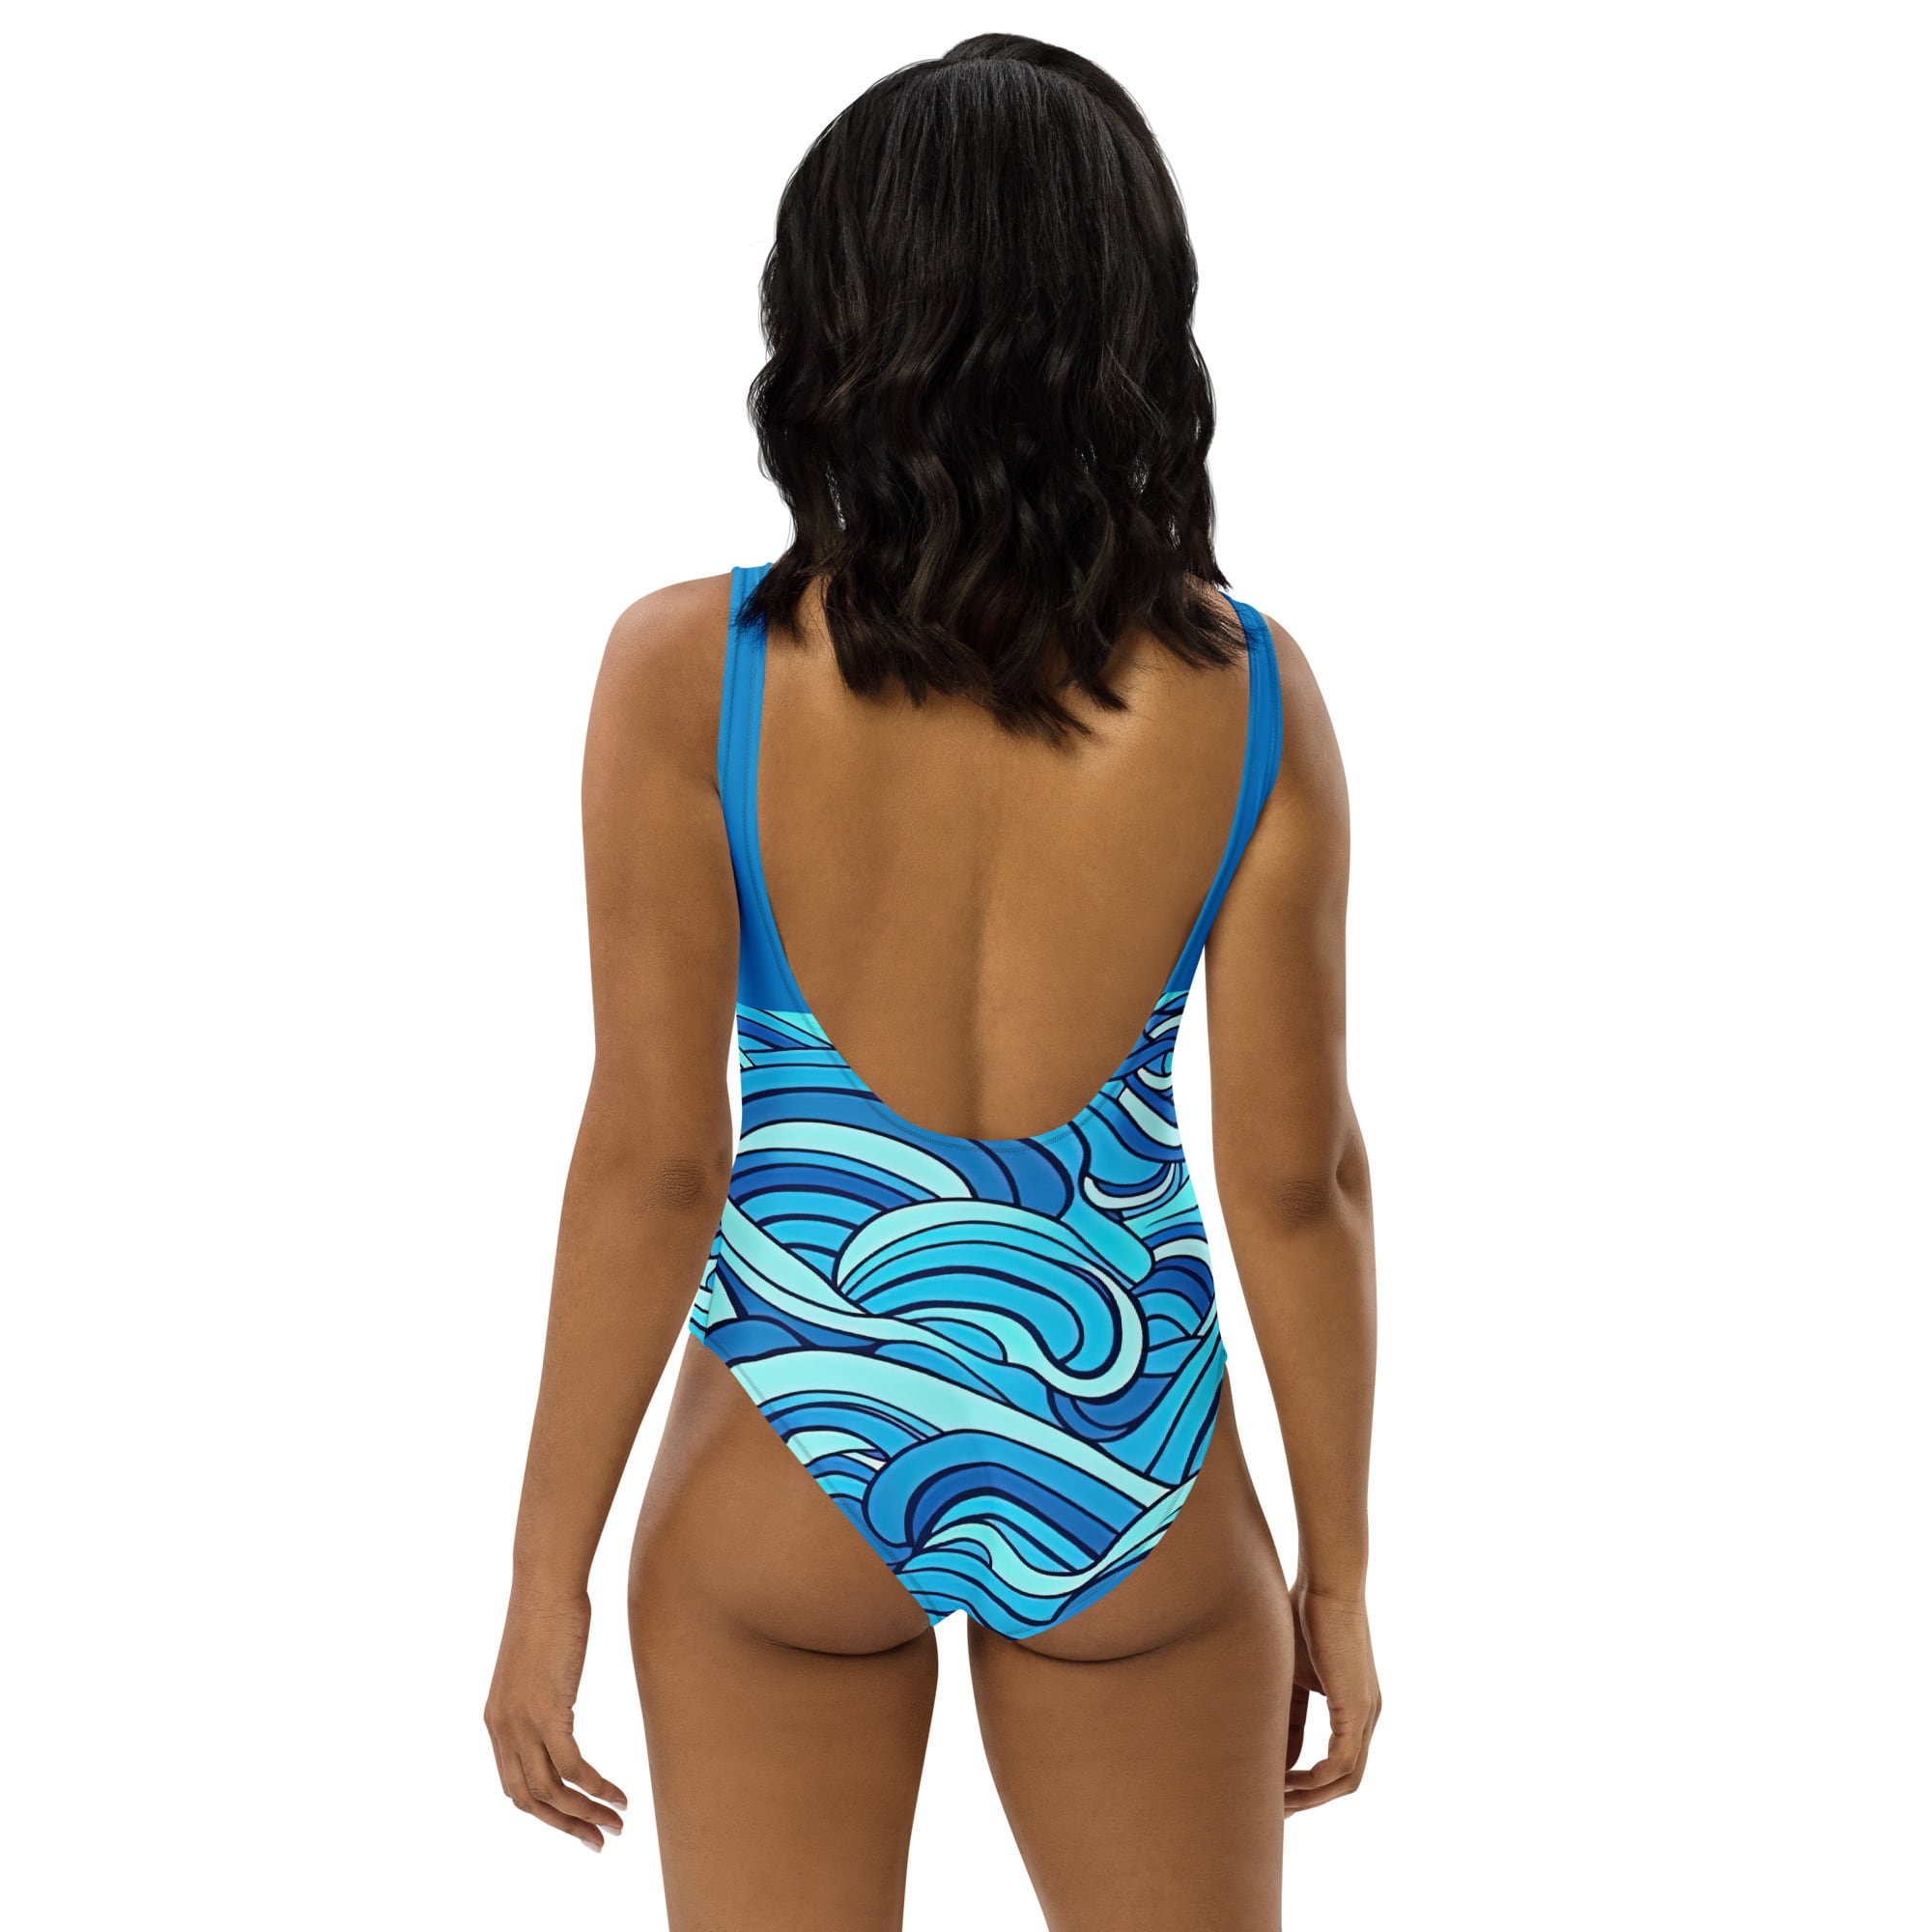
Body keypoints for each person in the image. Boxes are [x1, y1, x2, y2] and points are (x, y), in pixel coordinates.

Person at [484, 34, 1378, 1932]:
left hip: (787, 1441)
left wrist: (542, 1577)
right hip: (1126, 1449)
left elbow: (656, 1159)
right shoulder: (1244, 697)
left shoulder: (690, 672)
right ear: (1134, 323)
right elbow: (1297, 1186)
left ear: (828, 315)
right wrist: (1342, 1571)